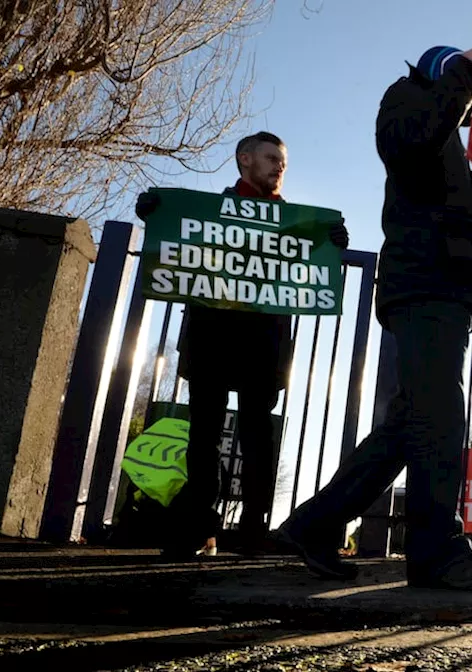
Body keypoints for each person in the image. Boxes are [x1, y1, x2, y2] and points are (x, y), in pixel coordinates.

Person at [276, 44, 472, 591]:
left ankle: (312, 525)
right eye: (469, 91)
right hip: (423, 290)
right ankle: (437, 551)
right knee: (439, 420)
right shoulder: (406, 102)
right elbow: (413, 146)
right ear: (444, 73)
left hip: (441, 287)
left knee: (407, 427)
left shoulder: (446, 141)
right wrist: (466, 68)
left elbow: (466, 240)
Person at [135, 131, 349, 558]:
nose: (279, 166)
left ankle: (254, 529)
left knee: (257, 436)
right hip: (212, 336)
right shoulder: (207, 215)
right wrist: (156, 214)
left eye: (283, 161)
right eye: (271, 158)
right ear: (245, 159)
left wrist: (331, 242)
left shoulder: (295, 225)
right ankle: (197, 526)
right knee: (204, 434)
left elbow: (311, 269)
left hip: (263, 342)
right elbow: (180, 240)